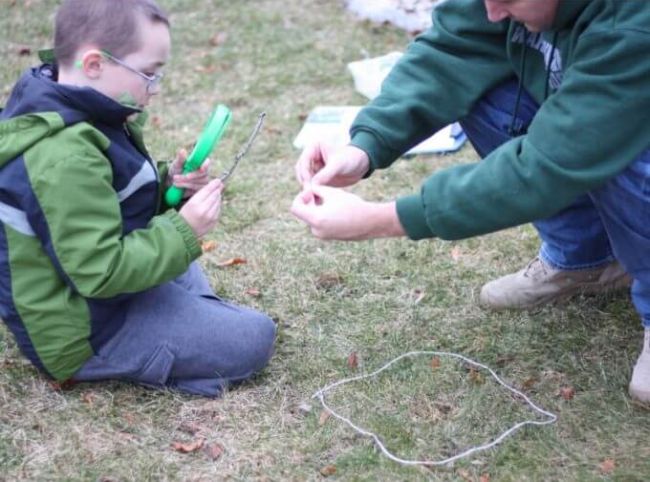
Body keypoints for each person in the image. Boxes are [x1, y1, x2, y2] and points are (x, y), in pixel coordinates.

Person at [291, 0, 650, 403]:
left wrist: (382, 219)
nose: (493, 12)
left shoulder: (635, 26)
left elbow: (548, 164)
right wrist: (366, 144)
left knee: (627, 145)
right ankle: (589, 258)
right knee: (483, 85)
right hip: (602, 104)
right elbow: (452, 50)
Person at [0, 0, 276, 398]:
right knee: (255, 339)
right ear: (94, 64)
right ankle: (171, 337)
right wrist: (184, 230)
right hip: (87, 328)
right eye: (148, 74)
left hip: (108, 290)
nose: (154, 88)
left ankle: (187, 316)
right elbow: (99, 272)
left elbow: (111, 197)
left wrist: (170, 186)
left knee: (185, 278)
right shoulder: (64, 155)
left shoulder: (81, 105)